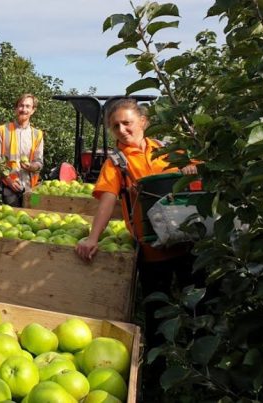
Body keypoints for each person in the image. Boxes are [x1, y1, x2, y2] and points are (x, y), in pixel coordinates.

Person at [74, 98, 198, 346]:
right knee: (156, 310)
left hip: (187, 241)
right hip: (152, 250)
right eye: (115, 126)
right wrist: (93, 238)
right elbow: (107, 200)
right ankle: (157, 359)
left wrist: (190, 169)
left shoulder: (168, 151)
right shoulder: (116, 162)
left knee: (197, 302)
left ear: (143, 122)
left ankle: (198, 351)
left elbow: (199, 178)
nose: (121, 130)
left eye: (127, 123)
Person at [0, 94, 44, 207]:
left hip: (33, 187)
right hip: (10, 187)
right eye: (21, 106)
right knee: (11, 215)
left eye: (28, 106)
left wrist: (31, 167)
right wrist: (8, 179)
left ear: (33, 110)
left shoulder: (38, 134)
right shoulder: (3, 130)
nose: (24, 109)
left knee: (34, 214)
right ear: (16, 108)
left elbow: (39, 162)